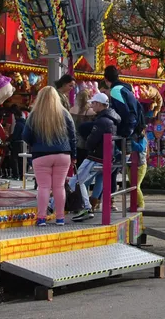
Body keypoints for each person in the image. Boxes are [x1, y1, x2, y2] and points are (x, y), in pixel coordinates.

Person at [21, 86, 74, 227]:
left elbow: (25, 136)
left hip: (41, 155)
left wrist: (36, 144)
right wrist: (73, 154)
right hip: (63, 154)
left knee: (44, 187)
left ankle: (42, 218)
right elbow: (72, 136)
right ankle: (60, 218)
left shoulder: (34, 115)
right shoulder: (64, 113)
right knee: (59, 187)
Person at [71, 92, 121, 222]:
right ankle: (91, 205)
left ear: (99, 104)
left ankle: (86, 208)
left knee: (78, 180)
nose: (92, 105)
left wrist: (88, 143)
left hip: (95, 156)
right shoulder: (112, 119)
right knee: (99, 181)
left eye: (93, 103)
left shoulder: (102, 121)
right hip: (107, 157)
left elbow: (92, 141)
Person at [104, 66, 144, 211]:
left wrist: (125, 132)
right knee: (121, 169)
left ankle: (111, 202)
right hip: (132, 132)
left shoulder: (115, 90)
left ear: (106, 79)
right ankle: (114, 201)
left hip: (124, 134)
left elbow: (125, 113)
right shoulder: (126, 89)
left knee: (114, 168)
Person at [8, 106, 26, 180]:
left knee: (14, 159)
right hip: (23, 143)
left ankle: (16, 174)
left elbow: (15, 135)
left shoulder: (18, 124)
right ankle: (22, 175)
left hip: (17, 143)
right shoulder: (24, 123)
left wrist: (10, 140)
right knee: (21, 160)